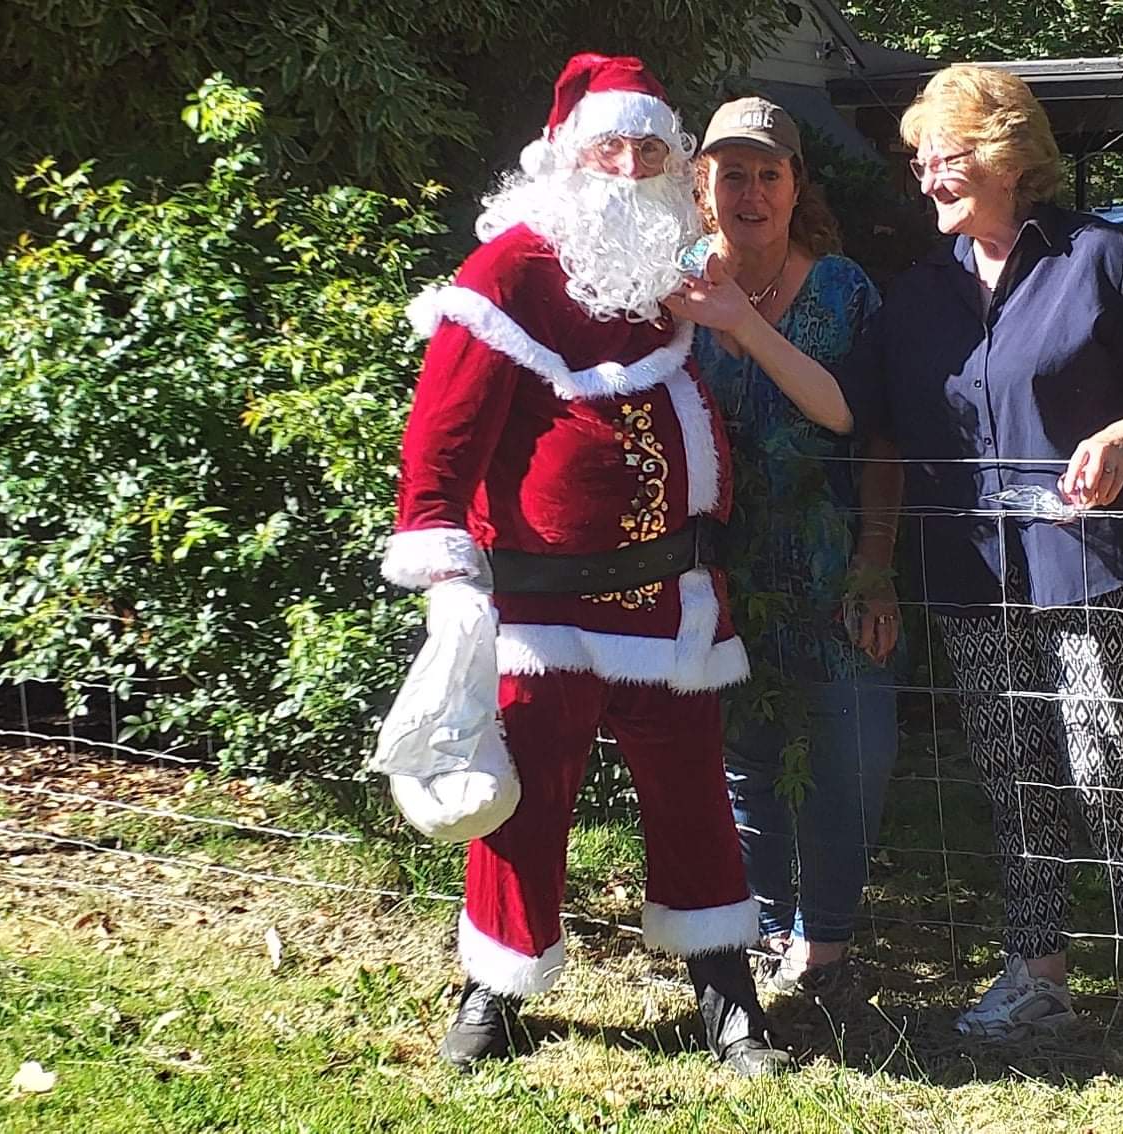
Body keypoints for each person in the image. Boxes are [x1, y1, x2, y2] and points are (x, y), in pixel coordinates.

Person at [670, 64, 1123, 1056]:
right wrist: (877, 557)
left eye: (947, 156)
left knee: (1105, 767)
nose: (927, 176)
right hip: (974, 571)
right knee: (1012, 778)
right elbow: (866, 423)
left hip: (1095, 559)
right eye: (921, 160)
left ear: (1008, 156)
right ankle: (1037, 978)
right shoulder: (919, 295)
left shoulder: (1101, 258)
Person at [385, 53, 789, 1077]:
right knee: (523, 799)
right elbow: (441, 439)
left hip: (667, 595)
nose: (630, 165)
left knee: (693, 798)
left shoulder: (673, 275)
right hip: (541, 602)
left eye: (651, 149)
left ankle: (726, 1000)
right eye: (611, 146)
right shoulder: (508, 272)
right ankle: (495, 989)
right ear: (566, 157)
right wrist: (446, 578)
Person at [688, 97, 904, 1001]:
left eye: (767, 174)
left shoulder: (842, 290)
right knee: (745, 757)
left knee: (850, 754)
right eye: (731, 174)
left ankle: (826, 939)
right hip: (715, 571)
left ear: (794, 185)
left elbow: (871, 427)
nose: (750, 193)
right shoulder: (671, 289)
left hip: (831, 564)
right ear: (700, 185)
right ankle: (770, 928)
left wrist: (875, 565)